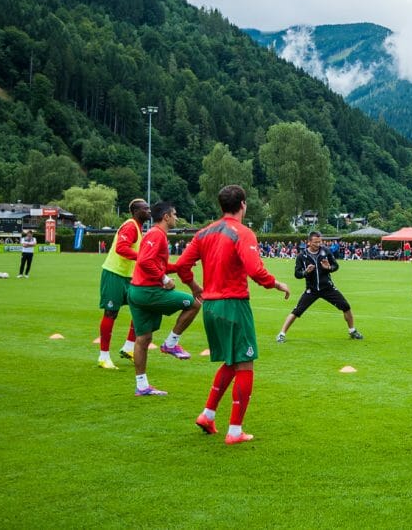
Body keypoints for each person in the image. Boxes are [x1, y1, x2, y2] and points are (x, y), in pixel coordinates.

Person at [173, 185, 291, 445]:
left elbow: (181, 265)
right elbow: (254, 269)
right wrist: (276, 283)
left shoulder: (204, 232)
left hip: (211, 307)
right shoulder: (243, 232)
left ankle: (207, 414)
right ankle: (235, 431)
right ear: (243, 204)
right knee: (246, 363)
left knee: (231, 362)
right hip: (234, 305)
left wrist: (194, 287)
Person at [128, 202, 203, 396]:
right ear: (166, 217)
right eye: (175, 214)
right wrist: (164, 278)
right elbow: (145, 261)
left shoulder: (155, 234)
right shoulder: (156, 234)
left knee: (143, 339)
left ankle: (142, 385)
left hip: (136, 291)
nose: (176, 217)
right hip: (148, 292)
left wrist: (178, 267)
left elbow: (156, 262)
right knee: (194, 304)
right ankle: (170, 344)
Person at [276, 231, 363, 342]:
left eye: (319, 242)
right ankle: (281, 334)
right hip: (312, 290)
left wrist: (329, 268)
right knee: (297, 311)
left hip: (328, 288)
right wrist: (306, 272)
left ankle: (352, 331)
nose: (318, 244)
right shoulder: (302, 256)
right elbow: (297, 274)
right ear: (309, 242)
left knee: (346, 306)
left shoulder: (325, 251)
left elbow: (336, 266)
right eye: (315, 242)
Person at [95, 199, 146, 370]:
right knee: (111, 313)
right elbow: (121, 248)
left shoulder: (139, 228)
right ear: (136, 211)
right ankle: (103, 357)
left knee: (141, 308)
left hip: (129, 276)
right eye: (145, 208)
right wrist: (143, 258)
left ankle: (129, 348)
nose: (149, 211)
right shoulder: (130, 226)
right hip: (114, 274)